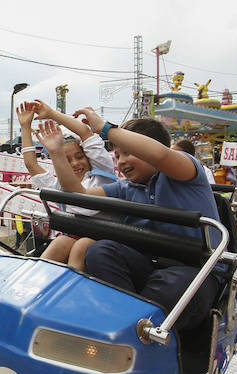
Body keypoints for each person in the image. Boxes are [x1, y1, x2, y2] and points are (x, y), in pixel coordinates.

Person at [36, 108, 222, 331]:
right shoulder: (126, 187)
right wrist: (56, 153)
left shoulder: (185, 173)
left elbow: (161, 155)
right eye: (117, 156)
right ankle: (114, 323)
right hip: (149, 265)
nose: (121, 162)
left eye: (127, 153)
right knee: (99, 251)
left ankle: (133, 327)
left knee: (172, 288)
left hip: (192, 268)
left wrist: (105, 129)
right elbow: (79, 195)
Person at [17, 99, 116, 270]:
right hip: (73, 241)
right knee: (60, 243)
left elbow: (85, 133)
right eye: (66, 160)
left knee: (80, 246)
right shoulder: (60, 187)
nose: (75, 164)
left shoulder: (103, 173)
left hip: (105, 241)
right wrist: (26, 127)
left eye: (79, 156)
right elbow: (32, 165)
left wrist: (52, 114)